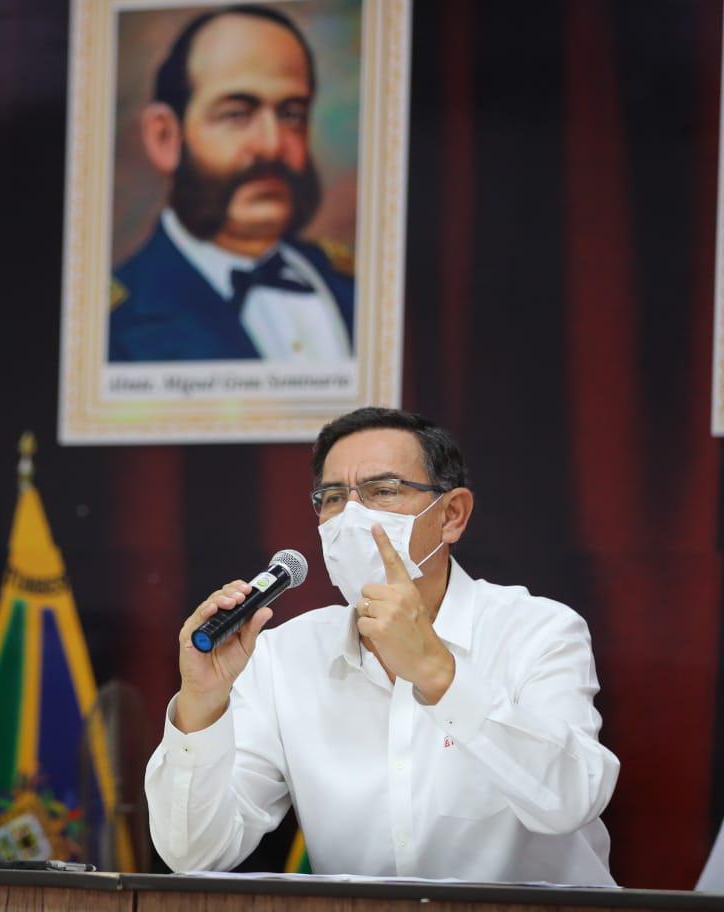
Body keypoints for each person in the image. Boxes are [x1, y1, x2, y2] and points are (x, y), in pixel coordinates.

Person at [144, 407, 620, 884]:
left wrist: (441, 675)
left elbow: (571, 800)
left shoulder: (538, 631)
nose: (351, 516)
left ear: (451, 515)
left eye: (383, 492)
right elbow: (194, 854)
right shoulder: (282, 656)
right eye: (332, 498)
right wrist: (202, 705)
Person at [110, 5, 354, 363]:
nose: (271, 144)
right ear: (165, 137)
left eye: (291, 114)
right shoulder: (115, 322)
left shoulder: (353, 287)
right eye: (236, 114)